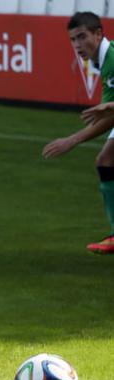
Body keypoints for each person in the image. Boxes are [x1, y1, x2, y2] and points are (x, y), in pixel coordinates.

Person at [43, 11, 114, 254]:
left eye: (82, 37)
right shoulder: (102, 60)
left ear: (98, 33)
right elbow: (109, 117)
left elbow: (110, 116)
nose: (77, 45)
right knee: (106, 161)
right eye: (73, 40)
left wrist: (72, 140)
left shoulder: (112, 58)